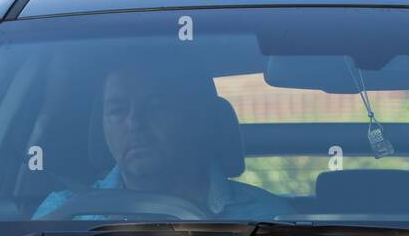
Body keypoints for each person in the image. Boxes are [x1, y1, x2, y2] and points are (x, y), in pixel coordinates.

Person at [36, 55, 290, 220]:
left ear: (196, 120)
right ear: (101, 125)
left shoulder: (268, 218)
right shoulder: (65, 214)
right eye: (117, 110)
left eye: (156, 107)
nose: (134, 122)